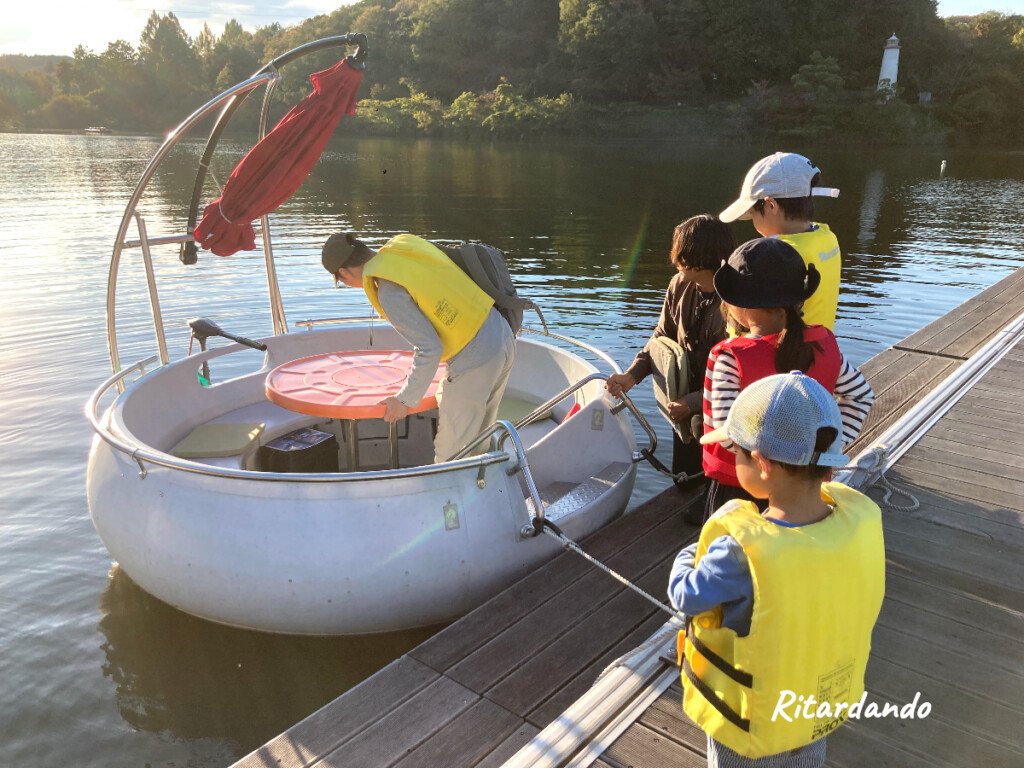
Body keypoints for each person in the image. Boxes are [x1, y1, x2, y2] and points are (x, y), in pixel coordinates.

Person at [669, 372, 886, 767]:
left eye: (735, 450)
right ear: (829, 469)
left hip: (752, 729)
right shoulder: (854, 526)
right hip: (812, 714)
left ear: (762, 464)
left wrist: (690, 552)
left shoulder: (737, 553)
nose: (732, 458)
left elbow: (685, 594)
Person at [702, 238, 873, 521]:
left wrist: (772, 459)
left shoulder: (731, 358)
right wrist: (823, 450)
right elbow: (860, 396)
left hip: (742, 487)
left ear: (744, 305)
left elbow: (726, 430)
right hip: (807, 490)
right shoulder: (823, 346)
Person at [322, 232, 516, 463]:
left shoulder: (388, 290)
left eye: (340, 281)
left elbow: (429, 348)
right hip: (501, 333)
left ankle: (448, 497)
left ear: (343, 273)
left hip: (475, 356)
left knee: (450, 456)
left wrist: (404, 400)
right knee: (479, 440)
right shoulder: (404, 245)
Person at [605, 215, 735, 487]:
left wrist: (695, 402)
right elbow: (661, 337)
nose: (674, 259)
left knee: (718, 484)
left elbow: (743, 373)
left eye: (680, 253)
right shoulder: (679, 284)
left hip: (723, 416)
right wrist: (631, 376)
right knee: (685, 482)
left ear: (698, 258)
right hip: (682, 412)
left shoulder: (738, 301)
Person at [719, 152, 842, 331]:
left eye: (752, 213)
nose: (753, 221)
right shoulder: (827, 237)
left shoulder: (779, 257)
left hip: (777, 356)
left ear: (771, 205)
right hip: (818, 352)